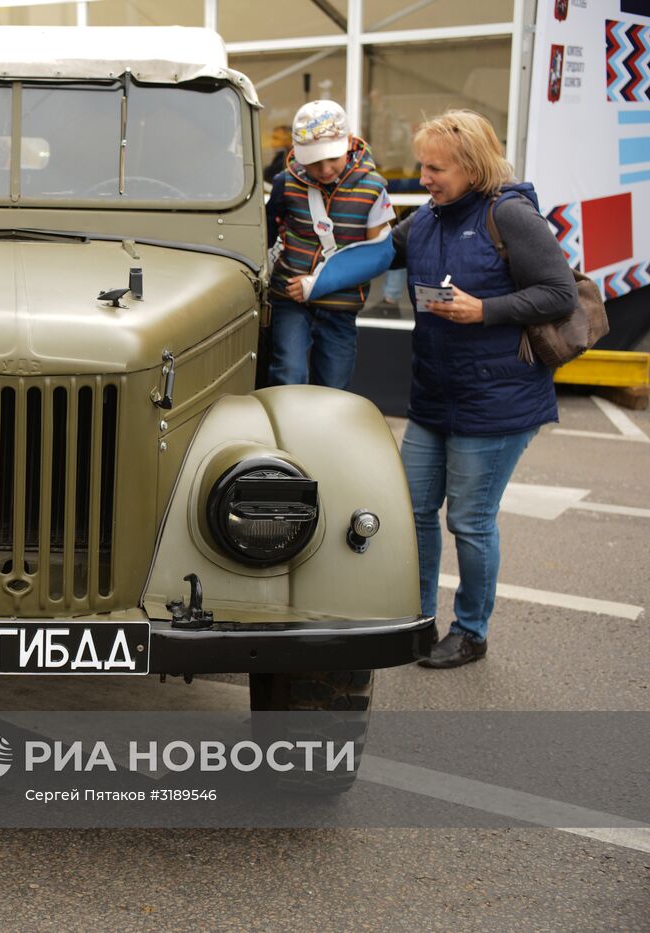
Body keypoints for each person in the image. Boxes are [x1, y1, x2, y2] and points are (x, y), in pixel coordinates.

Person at [391, 110, 577, 669]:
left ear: (472, 167)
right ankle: (416, 616)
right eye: (421, 165)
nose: (423, 178)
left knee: (469, 521)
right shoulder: (427, 217)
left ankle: (471, 631)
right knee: (413, 510)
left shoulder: (510, 215)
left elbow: (558, 294)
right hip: (433, 396)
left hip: (497, 401)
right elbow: (380, 252)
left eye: (436, 169)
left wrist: (485, 309)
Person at [266, 100, 395, 388]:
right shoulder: (285, 183)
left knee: (334, 387)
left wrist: (318, 283)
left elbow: (378, 254)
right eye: (313, 162)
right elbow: (264, 233)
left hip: (341, 305)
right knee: (288, 372)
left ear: (349, 143)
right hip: (290, 298)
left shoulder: (374, 187)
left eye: (332, 159)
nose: (324, 169)